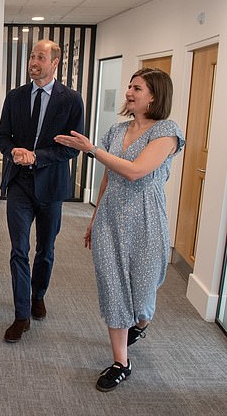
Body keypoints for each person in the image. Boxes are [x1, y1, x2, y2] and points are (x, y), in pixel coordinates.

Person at [54, 67, 184, 392]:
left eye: (136, 88)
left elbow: (137, 172)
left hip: (146, 219)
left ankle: (140, 324)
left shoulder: (166, 131)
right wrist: (94, 219)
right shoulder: (115, 130)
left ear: (154, 95)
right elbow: (110, 178)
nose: (129, 92)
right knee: (113, 290)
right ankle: (120, 362)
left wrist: (92, 150)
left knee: (142, 295)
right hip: (110, 219)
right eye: (129, 87)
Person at [0, 39, 84, 343]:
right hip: (19, 184)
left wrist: (39, 156)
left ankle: (38, 295)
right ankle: (21, 315)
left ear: (55, 62)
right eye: (32, 56)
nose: (34, 62)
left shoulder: (71, 100)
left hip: (51, 186)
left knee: (46, 250)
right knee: (19, 250)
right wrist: (14, 151)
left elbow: (73, 148)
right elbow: (2, 135)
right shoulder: (15, 97)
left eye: (40, 57)